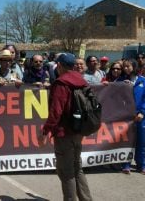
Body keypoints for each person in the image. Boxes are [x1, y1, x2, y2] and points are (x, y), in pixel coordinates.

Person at [41, 53, 92, 201]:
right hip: (79, 131)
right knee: (77, 168)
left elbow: (56, 111)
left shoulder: (61, 83)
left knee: (66, 171)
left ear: (61, 66)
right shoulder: (81, 81)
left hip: (64, 133)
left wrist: (45, 131)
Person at [118, 59, 145, 175]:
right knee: (126, 141)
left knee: (141, 142)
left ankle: (141, 166)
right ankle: (126, 164)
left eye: (128, 66)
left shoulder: (143, 81)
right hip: (125, 117)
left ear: (134, 67)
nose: (126, 68)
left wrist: (142, 112)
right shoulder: (121, 80)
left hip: (140, 117)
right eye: (124, 67)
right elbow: (113, 94)